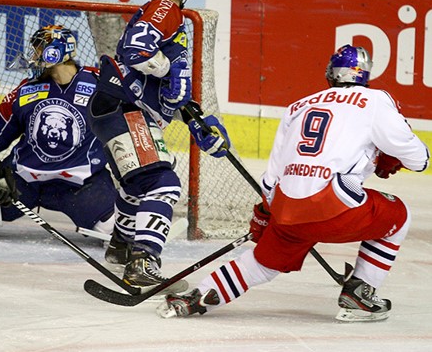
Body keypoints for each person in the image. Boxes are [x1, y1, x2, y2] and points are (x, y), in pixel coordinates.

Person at [157, 45, 430, 321]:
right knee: (399, 216)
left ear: (330, 74)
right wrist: (393, 157)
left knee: (262, 264)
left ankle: (197, 297)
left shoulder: (298, 106)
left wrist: (264, 218)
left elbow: (272, 178)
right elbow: (418, 158)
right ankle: (361, 291)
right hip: (335, 207)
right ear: (364, 76)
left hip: (288, 209)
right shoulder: (375, 100)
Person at [88, 0, 231, 289]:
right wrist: (170, 69)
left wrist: (196, 121)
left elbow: (165, 90)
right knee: (163, 184)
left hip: (119, 109)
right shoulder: (166, 10)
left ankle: (121, 247)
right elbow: (136, 51)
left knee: (138, 185)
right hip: (126, 107)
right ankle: (142, 261)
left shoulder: (163, 15)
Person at [0, 25, 118, 236]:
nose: (33, 57)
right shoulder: (26, 89)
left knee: (119, 231)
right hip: (21, 183)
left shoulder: (100, 84)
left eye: (38, 51)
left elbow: (128, 121)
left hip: (81, 185)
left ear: (56, 52)